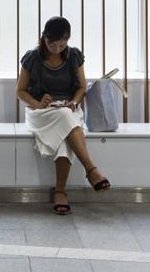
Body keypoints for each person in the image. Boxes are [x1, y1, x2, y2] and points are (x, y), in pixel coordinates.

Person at [17, 16, 110, 214]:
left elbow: (82, 88)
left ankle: (60, 192)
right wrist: (37, 103)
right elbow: (20, 91)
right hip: (40, 112)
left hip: (68, 108)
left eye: (62, 45)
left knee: (65, 127)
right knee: (66, 119)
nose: (58, 49)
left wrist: (74, 102)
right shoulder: (32, 57)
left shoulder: (74, 55)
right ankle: (91, 169)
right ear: (44, 39)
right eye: (53, 45)